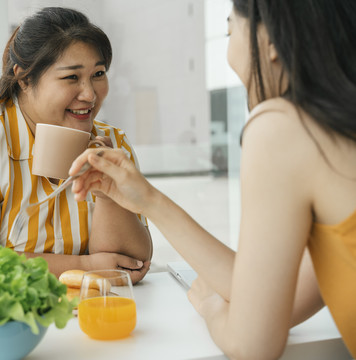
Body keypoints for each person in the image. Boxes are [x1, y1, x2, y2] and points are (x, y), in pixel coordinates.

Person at [70, 0, 356, 358]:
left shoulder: (284, 127)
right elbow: (274, 292)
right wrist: (149, 199)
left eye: (229, 30)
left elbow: (251, 344)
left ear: (270, 40)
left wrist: (211, 307)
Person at [0, 7, 152, 286]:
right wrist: (83, 266)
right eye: (71, 77)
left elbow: (129, 263)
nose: (90, 94)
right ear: (24, 79)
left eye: (98, 74)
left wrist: (108, 194)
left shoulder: (112, 144)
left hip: (83, 316)